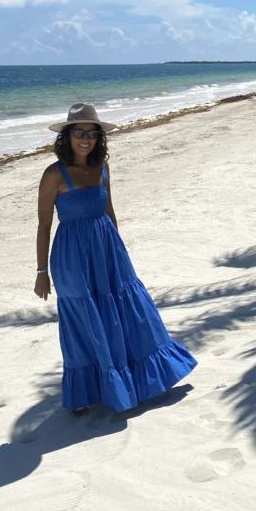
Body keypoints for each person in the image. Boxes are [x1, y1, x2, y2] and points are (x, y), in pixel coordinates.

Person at [34, 102, 197, 415]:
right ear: (67, 136)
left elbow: (109, 210)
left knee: (126, 312)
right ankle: (84, 391)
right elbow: (43, 225)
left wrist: (118, 248)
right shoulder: (53, 175)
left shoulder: (103, 168)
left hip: (107, 250)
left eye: (92, 133)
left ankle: (136, 381)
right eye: (79, 133)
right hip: (71, 256)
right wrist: (42, 271)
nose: (86, 139)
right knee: (83, 318)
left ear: (99, 138)